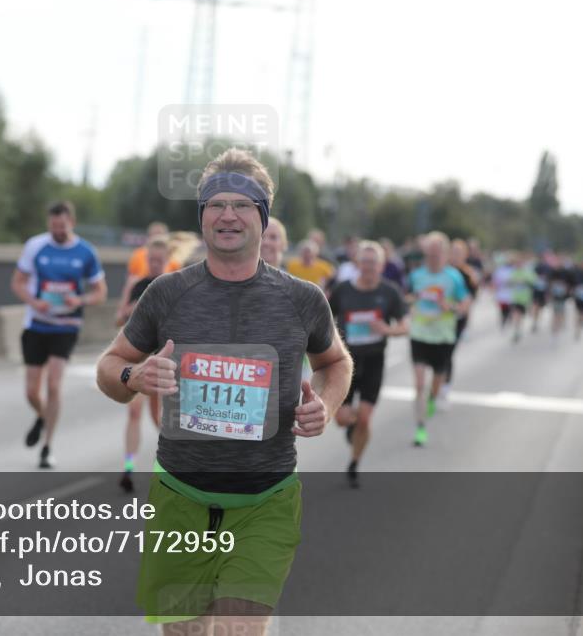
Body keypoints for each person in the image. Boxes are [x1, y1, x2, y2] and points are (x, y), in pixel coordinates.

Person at [96, 148, 352, 635]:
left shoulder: (302, 299)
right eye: (216, 204)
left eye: (241, 204)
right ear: (201, 215)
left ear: (263, 216)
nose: (227, 215)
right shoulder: (166, 293)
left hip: (265, 501)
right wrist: (134, 377)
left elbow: (335, 362)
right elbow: (110, 366)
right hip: (179, 499)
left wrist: (326, 404)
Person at [10, 201, 107, 469]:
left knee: (53, 385)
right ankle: (43, 416)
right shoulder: (35, 246)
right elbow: (17, 282)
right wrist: (34, 301)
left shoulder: (85, 252)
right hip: (37, 324)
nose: (58, 231)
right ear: (48, 224)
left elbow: (101, 292)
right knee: (31, 391)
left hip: (66, 326)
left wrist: (80, 300)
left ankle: (47, 447)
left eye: (62, 226)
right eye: (54, 227)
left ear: (71, 223)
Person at [330, 241, 407, 488]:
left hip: (374, 360)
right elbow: (324, 319)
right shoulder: (343, 290)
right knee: (342, 418)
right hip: (345, 362)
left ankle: (354, 463)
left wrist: (387, 329)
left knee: (364, 418)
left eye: (373, 262)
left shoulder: (390, 292)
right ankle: (352, 427)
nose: (368, 267)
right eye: (364, 261)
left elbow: (405, 326)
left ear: (382, 265)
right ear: (357, 263)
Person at [115, 236, 171, 492]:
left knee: (160, 418)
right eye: (152, 260)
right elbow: (119, 319)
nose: (155, 264)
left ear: (167, 261)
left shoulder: (173, 286)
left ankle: (172, 467)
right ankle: (128, 468)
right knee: (134, 412)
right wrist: (131, 310)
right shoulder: (138, 285)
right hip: (139, 359)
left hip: (163, 359)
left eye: (160, 260)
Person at [405, 232, 471, 447]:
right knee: (418, 385)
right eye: (429, 254)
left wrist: (449, 307)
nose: (432, 258)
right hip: (419, 334)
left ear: (445, 254)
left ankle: (433, 398)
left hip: (443, 337)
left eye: (436, 254)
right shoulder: (417, 275)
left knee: (435, 383)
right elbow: (407, 296)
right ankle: (420, 428)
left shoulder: (454, 277)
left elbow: (465, 304)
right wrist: (412, 300)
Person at [443, 239, 480, 406]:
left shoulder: (468, 275)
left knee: (447, 353)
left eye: (459, 253)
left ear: (465, 255)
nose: (455, 256)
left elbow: (470, 299)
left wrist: (458, 309)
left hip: (457, 320)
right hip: (438, 320)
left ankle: (445, 387)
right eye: (453, 252)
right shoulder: (441, 271)